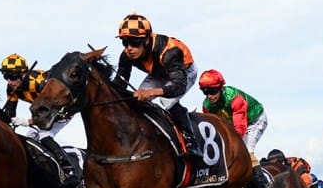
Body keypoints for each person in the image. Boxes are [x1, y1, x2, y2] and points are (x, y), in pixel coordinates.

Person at [115, 13, 202, 157]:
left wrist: (152, 92)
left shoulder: (170, 52)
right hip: (159, 71)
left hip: (184, 72)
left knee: (167, 102)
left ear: (147, 39)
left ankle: (191, 141)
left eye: (134, 42)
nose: (129, 48)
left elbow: (178, 86)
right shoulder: (126, 55)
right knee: (136, 102)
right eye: (125, 42)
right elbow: (119, 83)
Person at [0, 53, 78, 186]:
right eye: (6, 77)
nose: (9, 82)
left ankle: (70, 171)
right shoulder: (11, 88)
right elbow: (10, 113)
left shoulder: (39, 82)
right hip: (42, 113)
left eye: (12, 77)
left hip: (62, 110)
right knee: (30, 141)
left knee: (44, 135)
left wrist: (28, 122)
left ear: (23, 74)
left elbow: (51, 110)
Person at [198, 69, 268, 165]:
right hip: (234, 122)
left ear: (221, 88)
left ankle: (261, 179)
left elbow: (239, 128)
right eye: (205, 92)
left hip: (255, 120)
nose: (209, 96)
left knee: (246, 151)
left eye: (212, 91)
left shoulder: (235, 98)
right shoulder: (207, 106)